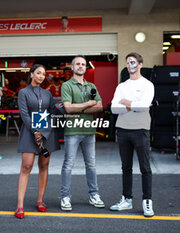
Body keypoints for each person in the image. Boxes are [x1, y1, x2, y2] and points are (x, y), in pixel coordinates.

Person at [110, 52, 155, 217]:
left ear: (140, 64)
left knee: (145, 168)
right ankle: (126, 200)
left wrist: (126, 102)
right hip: (122, 129)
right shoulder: (121, 86)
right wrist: (133, 105)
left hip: (141, 129)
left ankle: (147, 202)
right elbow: (114, 108)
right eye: (128, 62)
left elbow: (144, 106)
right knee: (126, 167)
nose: (131, 65)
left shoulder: (147, 85)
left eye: (133, 62)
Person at [60, 55, 104, 211]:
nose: (80, 66)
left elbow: (99, 106)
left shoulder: (91, 85)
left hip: (89, 131)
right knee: (68, 165)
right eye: (77, 64)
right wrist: (88, 104)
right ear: (72, 67)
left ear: (86, 67)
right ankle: (65, 197)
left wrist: (80, 107)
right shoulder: (67, 85)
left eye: (83, 64)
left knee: (91, 165)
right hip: (72, 130)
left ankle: (94, 194)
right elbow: (68, 108)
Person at [15, 64, 59, 219]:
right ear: (32, 74)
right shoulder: (23, 93)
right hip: (29, 133)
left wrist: (44, 132)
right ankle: (20, 206)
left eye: (43, 74)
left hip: (46, 134)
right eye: (38, 73)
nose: (41, 76)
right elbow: (24, 115)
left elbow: (52, 113)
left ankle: (40, 200)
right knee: (26, 167)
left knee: (44, 165)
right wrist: (35, 131)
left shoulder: (47, 94)